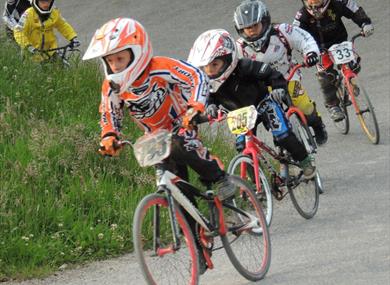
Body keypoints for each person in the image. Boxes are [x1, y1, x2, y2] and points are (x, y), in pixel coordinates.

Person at [82, 17, 236, 274]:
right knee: (178, 196)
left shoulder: (158, 67)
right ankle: (198, 248)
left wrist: (195, 106)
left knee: (185, 147)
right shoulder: (112, 85)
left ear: (138, 51)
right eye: (110, 60)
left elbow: (195, 75)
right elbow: (109, 112)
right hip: (155, 139)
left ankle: (219, 178)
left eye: (120, 59)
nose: (114, 65)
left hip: (181, 125)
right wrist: (109, 136)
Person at [187, 29, 316, 179]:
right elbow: (207, 97)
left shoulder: (245, 66)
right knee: (243, 148)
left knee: (283, 135)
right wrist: (210, 106)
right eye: (205, 68)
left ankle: (304, 160)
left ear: (228, 58)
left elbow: (272, 74)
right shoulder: (208, 84)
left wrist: (278, 88)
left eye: (215, 64)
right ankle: (258, 186)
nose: (210, 72)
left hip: (263, 103)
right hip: (239, 115)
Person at [233, 0, 328, 145]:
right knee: (266, 116)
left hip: (288, 77)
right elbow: (230, 67)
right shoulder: (239, 47)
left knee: (304, 106)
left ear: (264, 21)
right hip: (262, 88)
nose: (251, 30)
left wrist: (311, 53)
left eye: (254, 25)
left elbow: (304, 39)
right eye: (247, 28)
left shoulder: (282, 31)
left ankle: (317, 124)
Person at [293, 0, 374, 122]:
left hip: (340, 41)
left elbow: (354, 10)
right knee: (326, 76)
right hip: (318, 49)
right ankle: (333, 105)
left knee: (354, 64)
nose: (313, 1)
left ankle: (349, 82)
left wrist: (365, 23)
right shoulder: (302, 15)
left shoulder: (337, 2)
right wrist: (308, 53)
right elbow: (296, 36)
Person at [13, 0, 80, 60]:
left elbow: (63, 25)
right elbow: (18, 31)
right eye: (42, 1)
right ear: (35, 1)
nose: (46, 4)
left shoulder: (54, 12)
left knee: (63, 66)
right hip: (33, 53)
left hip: (51, 50)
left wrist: (73, 38)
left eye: (48, 1)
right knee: (37, 72)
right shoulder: (28, 14)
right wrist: (27, 46)